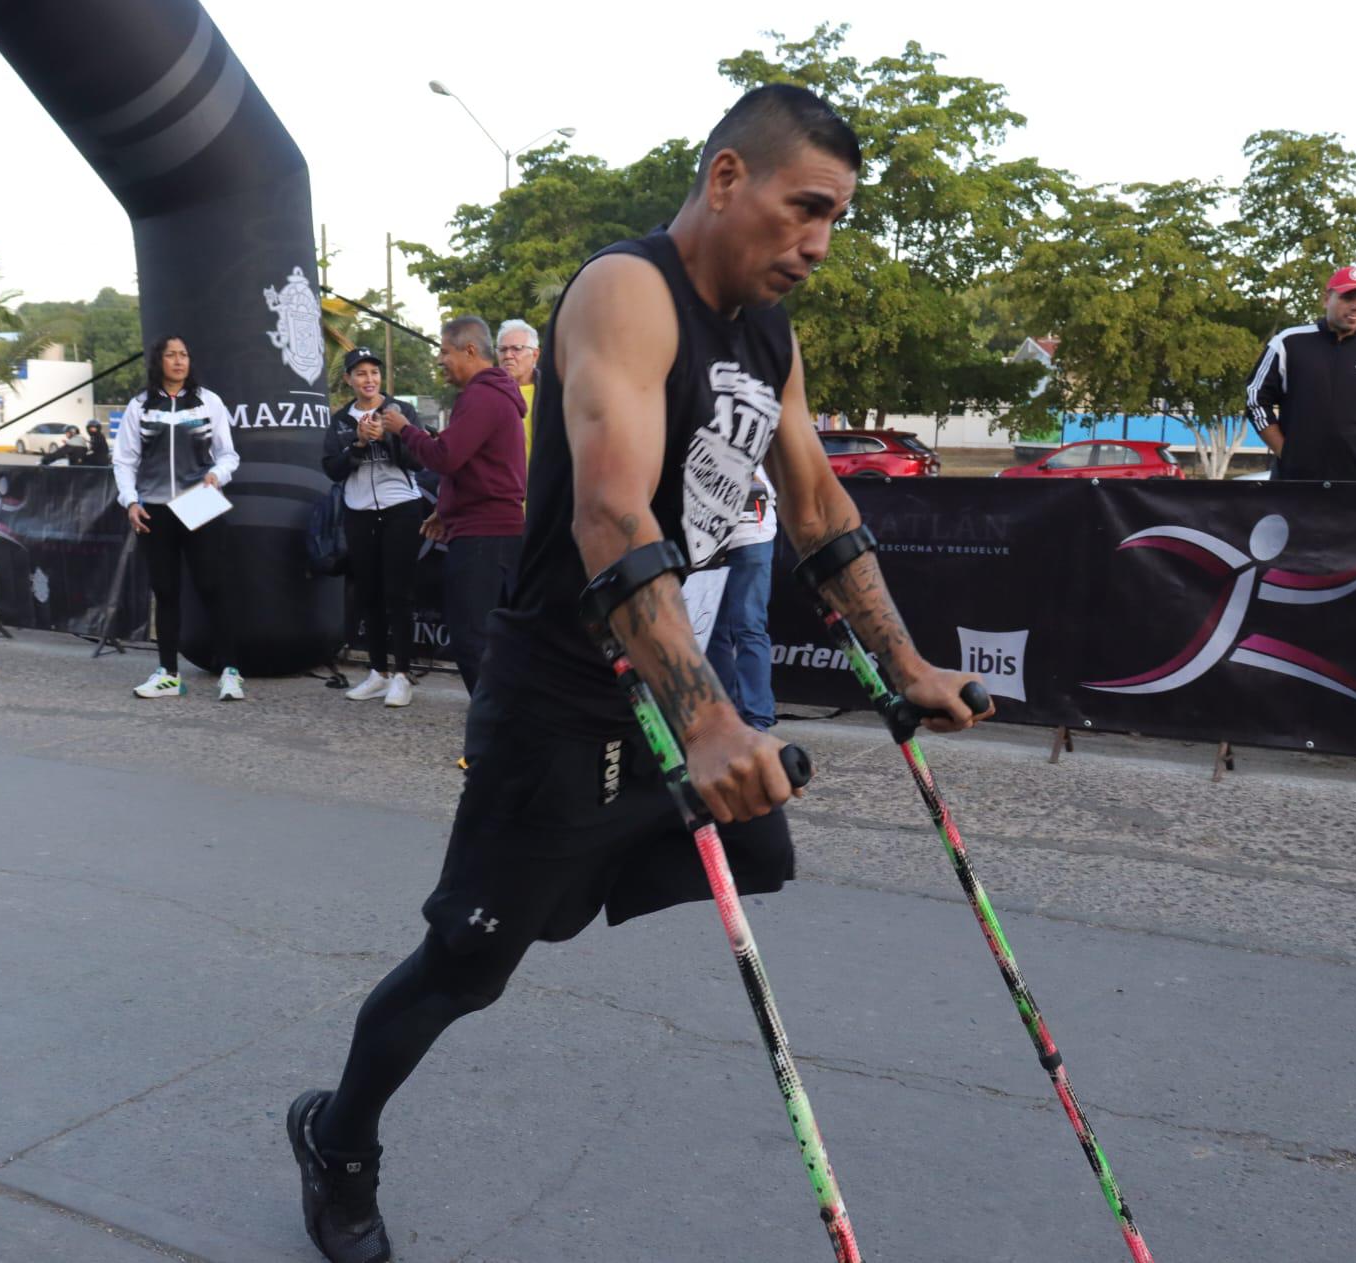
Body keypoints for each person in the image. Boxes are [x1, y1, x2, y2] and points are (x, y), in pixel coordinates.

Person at [286, 84, 992, 1263]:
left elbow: (814, 500)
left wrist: (908, 664)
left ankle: (589, 858)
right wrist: (712, 723)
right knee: (471, 962)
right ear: (727, 179)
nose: (817, 246)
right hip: (560, 692)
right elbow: (613, 514)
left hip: (661, 688)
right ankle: (338, 1138)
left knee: (760, 847)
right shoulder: (629, 292)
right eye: (803, 208)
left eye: (837, 220)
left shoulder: (770, 334)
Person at [379, 318, 525, 752]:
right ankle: (506, 725)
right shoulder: (488, 396)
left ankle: (498, 735)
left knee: (471, 638)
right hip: (490, 529)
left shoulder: (482, 397)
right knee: (489, 638)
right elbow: (471, 466)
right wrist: (445, 510)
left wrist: (404, 428)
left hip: (485, 535)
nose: (440, 360)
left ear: (468, 352)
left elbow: (446, 456)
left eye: (444, 351)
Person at [112, 334, 244, 701]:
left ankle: (230, 672)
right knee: (166, 592)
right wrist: (130, 501)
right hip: (154, 507)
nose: (178, 360)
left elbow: (229, 455)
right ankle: (168, 674)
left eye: (183, 354)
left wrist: (218, 476)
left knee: (213, 588)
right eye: (170, 355)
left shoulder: (208, 401)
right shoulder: (140, 405)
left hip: (200, 501)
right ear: (159, 361)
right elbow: (124, 460)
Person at [322, 347, 424, 708]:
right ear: (348, 379)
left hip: (401, 508)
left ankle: (402, 674)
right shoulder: (340, 421)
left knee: (399, 593)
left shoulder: (400, 412)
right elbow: (331, 469)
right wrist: (359, 444)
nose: (369, 380)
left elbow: (419, 459)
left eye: (374, 372)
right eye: (360, 373)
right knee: (368, 593)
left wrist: (386, 437)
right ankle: (378, 672)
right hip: (359, 510)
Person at [1246, 265, 1356, 481]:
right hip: (1293, 480)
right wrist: (1286, 453)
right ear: (1326, 299)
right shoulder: (1289, 342)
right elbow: (1256, 399)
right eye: (1347, 297)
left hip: (1352, 481)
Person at [707, 466, 778, 730]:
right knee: (718, 628)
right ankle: (732, 715)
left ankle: (755, 718)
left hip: (747, 534)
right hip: (714, 534)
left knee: (746, 626)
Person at [495, 318, 540, 465]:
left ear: (535, 354)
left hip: (543, 486)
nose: (508, 355)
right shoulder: (486, 394)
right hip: (498, 487)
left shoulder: (554, 394)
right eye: (502, 349)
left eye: (517, 348)